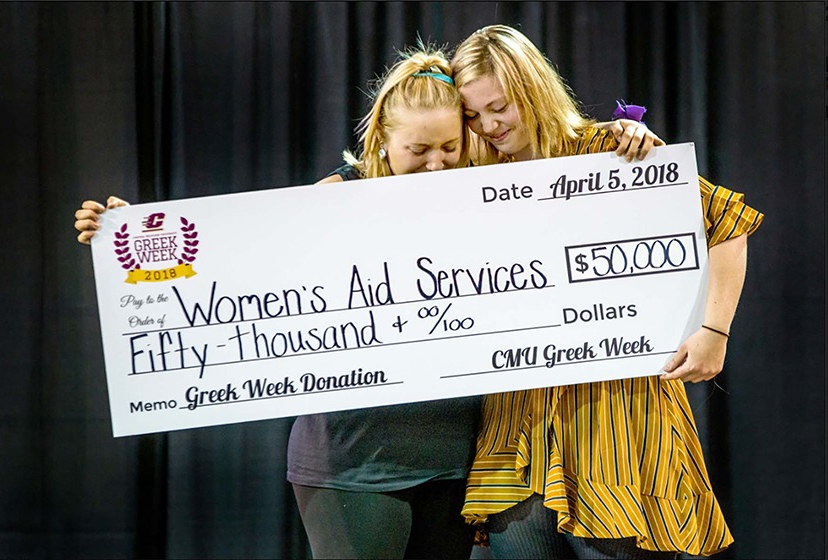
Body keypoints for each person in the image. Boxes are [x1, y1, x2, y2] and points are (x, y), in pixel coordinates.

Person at [73, 42, 662, 559]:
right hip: (351, 465)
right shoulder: (340, 196)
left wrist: (626, 138)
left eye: (451, 146)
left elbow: (571, 169)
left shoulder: (483, 193)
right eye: (417, 150)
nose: (436, 163)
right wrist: (137, 231)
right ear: (382, 138)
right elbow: (238, 254)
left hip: (453, 463)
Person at [450, 24, 764, 560]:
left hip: (616, 425)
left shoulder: (608, 152)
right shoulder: (473, 176)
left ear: (532, 87)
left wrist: (714, 331)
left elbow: (727, 222)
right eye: (474, 115)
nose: (489, 125)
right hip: (516, 430)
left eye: (498, 106)